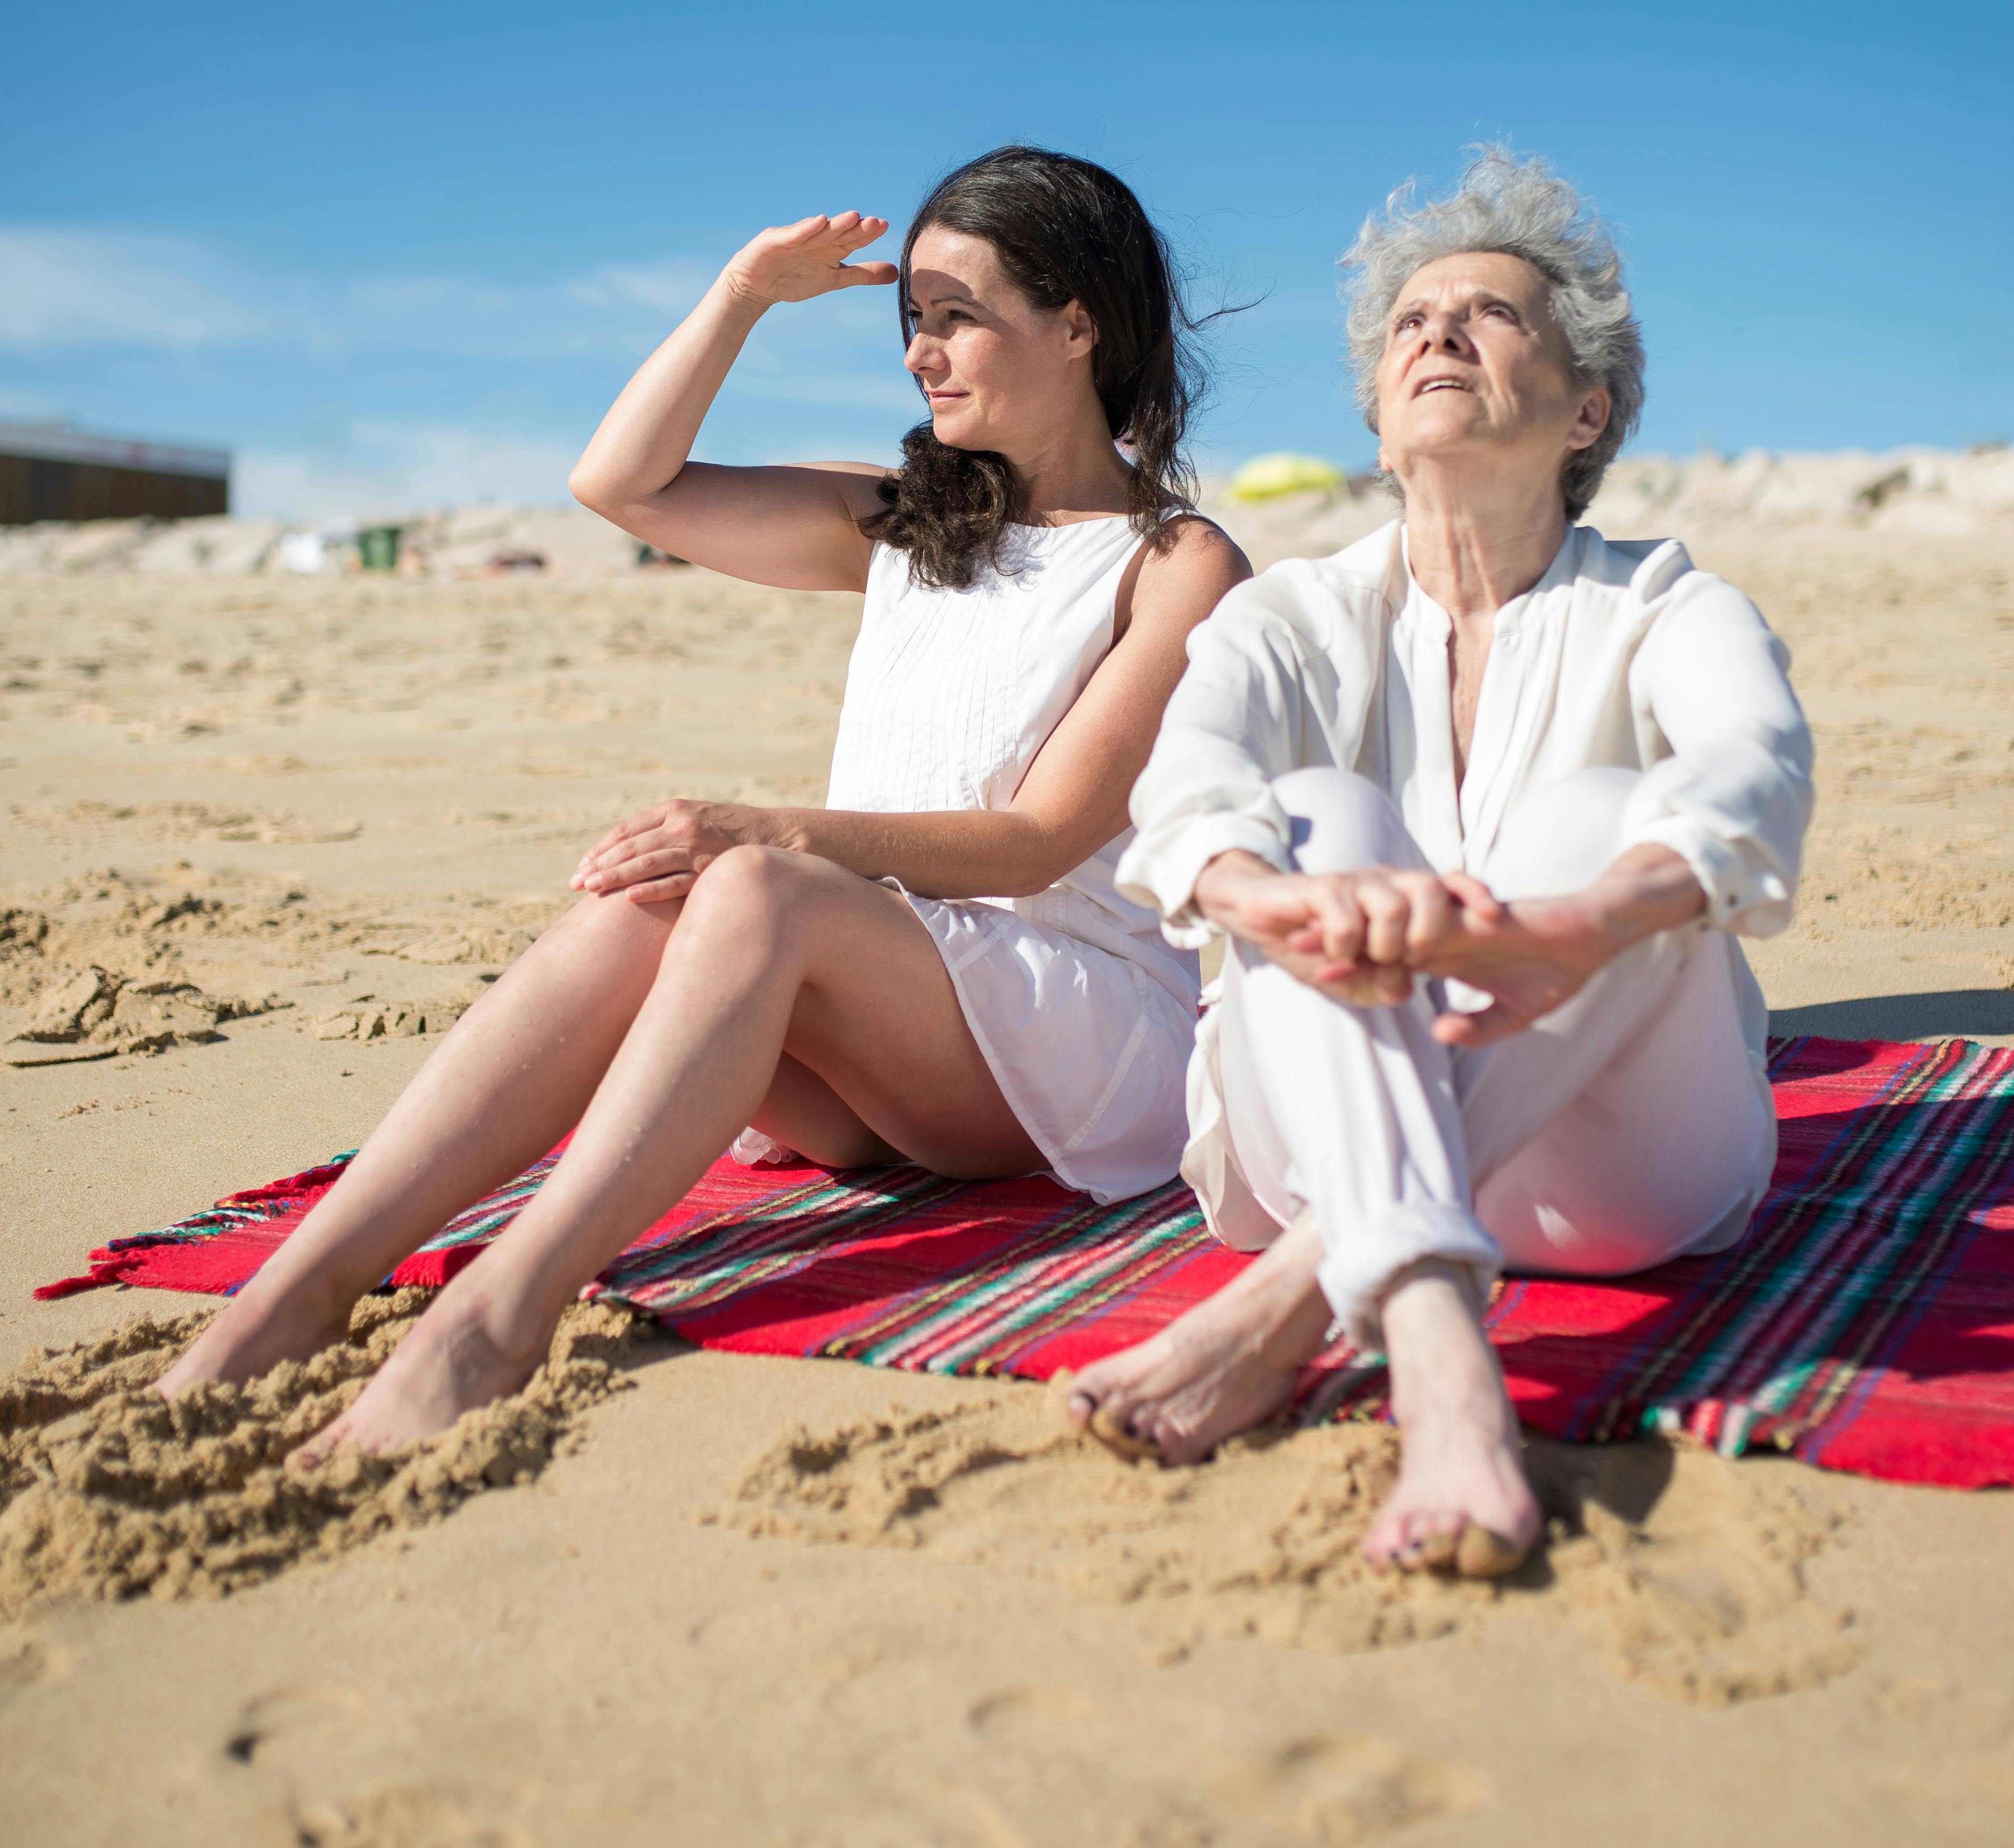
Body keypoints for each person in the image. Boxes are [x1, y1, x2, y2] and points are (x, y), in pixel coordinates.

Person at [157, 148, 1247, 1452]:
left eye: (956, 313)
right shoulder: (904, 523)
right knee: (657, 902)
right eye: (911, 318)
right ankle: (300, 1287)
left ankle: (496, 1317)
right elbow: (623, 487)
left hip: (1080, 1033)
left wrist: (769, 830)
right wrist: (739, 293)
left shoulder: (1177, 560)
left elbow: (1040, 840)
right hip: (896, 1029)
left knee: (753, 879)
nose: (921, 350)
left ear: (1079, 322)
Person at [1065, 147, 1814, 1580]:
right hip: (1309, 1132)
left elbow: (1757, 774)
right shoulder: (1291, 613)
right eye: (1411, 320)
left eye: (1492, 314)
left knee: (1613, 818)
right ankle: (1444, 1369)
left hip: (1621, 1178)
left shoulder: (1666, 600)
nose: (1438, 332)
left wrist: (1586, 920)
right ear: (1375, 403)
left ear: (1589, 406)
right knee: (1314, 821)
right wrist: (1276, 898)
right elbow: (1185, 790)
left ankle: (1301, 1297)